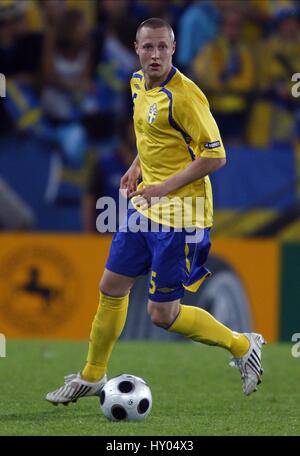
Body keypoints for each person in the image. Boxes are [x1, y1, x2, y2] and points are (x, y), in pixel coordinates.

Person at [46, 17, 265, 405]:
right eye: (148, 47)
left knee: (162, 315)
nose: (155, 55)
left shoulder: (185, 96)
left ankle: (242, 344)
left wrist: (163, 187)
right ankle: (92, 376)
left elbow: (215, 155)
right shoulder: (135, 85)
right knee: (111, 287)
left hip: (183, 216)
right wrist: (135, 168)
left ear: (174, 48)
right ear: (136, 48)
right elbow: (153, 140)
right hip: (146, 209)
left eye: (163, 47)